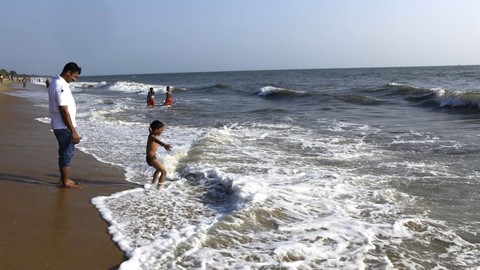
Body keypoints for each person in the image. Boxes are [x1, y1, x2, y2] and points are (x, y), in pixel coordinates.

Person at [48, 62, 82, 188]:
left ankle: (64, 179)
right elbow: (63, 109)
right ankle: (65, 181)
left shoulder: (56, 83)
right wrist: (72, 130)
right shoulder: (60, 85)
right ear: (68, 72)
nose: (74, 79)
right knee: (66, 153)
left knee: (65, 152)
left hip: (61, 126)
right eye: (74, 76)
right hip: (63, 127)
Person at [146, 120, 172, 189]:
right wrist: (164, 145)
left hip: (151, 157)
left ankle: (153, 184)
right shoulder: (152, 136)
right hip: (151, 158)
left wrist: (151, 130)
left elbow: (152, 134)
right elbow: (156, 140)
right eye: (161, 130)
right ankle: (160, 189)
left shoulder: (151, 134)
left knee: (158, 170)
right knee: (164, 172)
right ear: (156, 130)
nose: (162, 132)